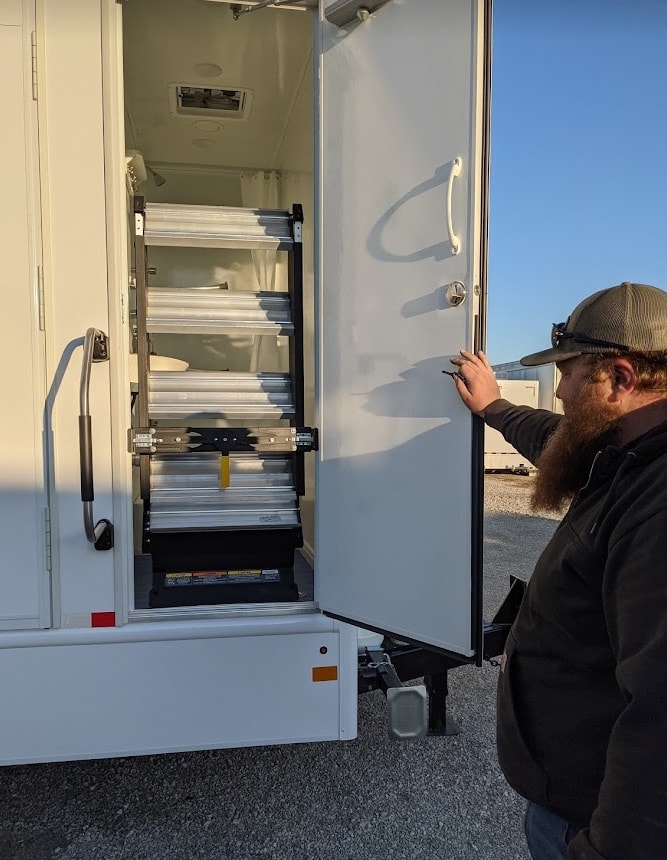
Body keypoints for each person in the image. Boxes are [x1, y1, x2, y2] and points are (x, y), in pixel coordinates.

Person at [449, 282, 667, 860]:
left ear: (620, 378)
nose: (562, 391)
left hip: (587, 823)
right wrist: (494, 407)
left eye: (569, 373)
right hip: (568, 798)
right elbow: (553, 438)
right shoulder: (629, 450)